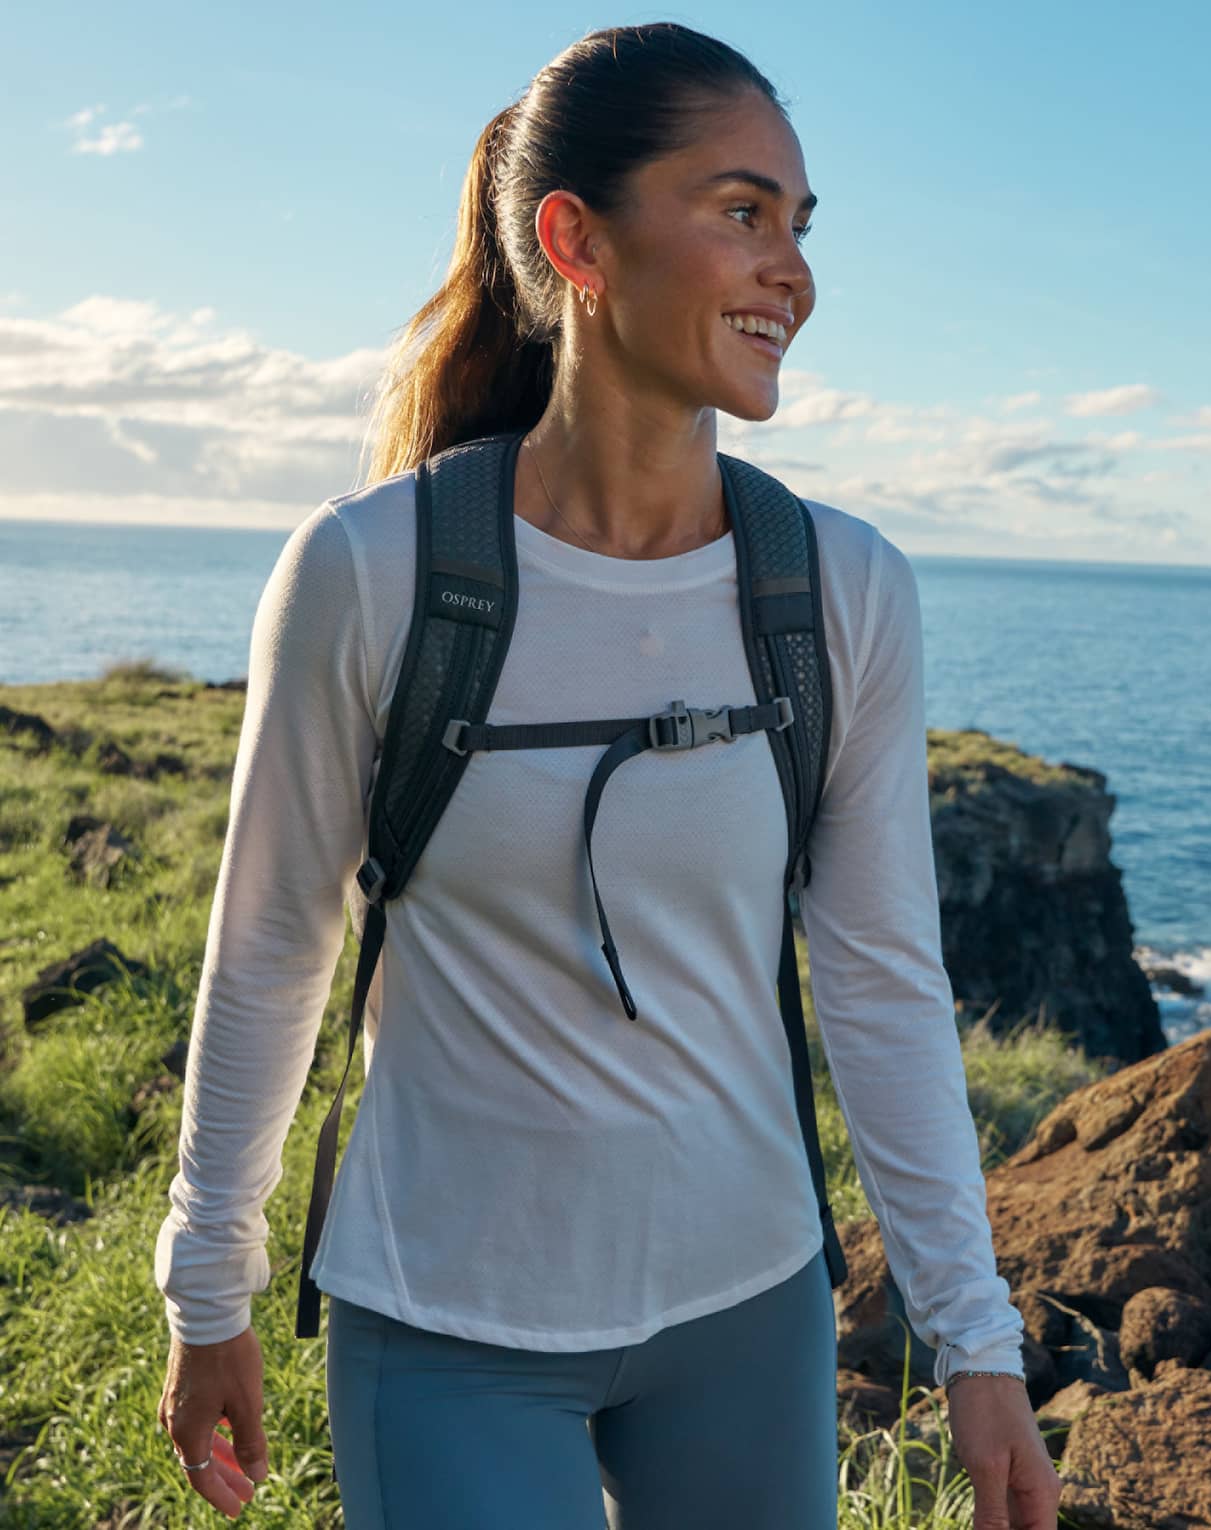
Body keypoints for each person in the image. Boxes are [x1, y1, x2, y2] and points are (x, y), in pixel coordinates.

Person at [152, 20, 1061, 1530]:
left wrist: (975, 1338)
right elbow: (268, 953)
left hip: (747, 1306)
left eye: (799, 226)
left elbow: (884, 977)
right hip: (442, 1320)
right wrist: (207, 1284)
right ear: (574, 238)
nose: (793, 272)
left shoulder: (836, 587)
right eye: (739, 212)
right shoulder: (371, 570)